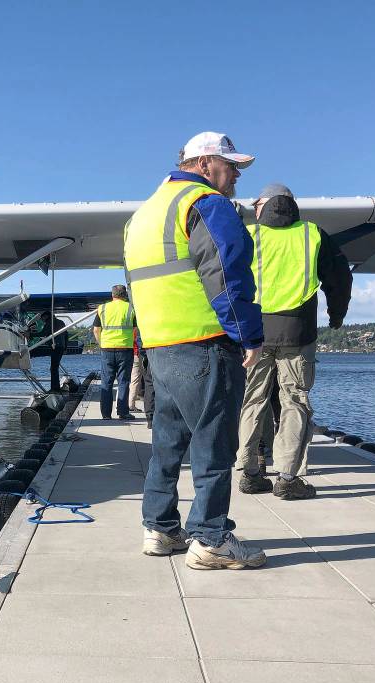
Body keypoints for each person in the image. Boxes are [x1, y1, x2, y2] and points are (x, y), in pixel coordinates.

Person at [124, 131, 266, 569]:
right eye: (232, 166)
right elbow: (226, 271)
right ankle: (211, 539)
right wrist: (248, 335)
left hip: (160, 347)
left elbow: (137, 284)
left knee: (167, 442)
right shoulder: (206, 203)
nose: (237, 175)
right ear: (204, 164)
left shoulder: (142, 215)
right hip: (205, 342)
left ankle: (161, 529)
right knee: (214, 444)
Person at [237, 183, 352, 499]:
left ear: (262, 205)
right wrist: (336, 315)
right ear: (292, 205)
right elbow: (340, 278)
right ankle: (288, 479)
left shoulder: (248, 234)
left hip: (253, 333)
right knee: (295, 401)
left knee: (251, 400)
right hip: (297, 333)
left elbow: (225, 277)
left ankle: (249, 472)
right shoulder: (313, 234)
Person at [92, 285, 137, 420]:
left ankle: (106, 414)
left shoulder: (102, 308)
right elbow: (135, 329)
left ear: (112, 295)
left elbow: (96, 329)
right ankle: (123, 412)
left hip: (107, 349)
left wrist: (102, 343)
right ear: (125, 295)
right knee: (123, 381)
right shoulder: (130, 308)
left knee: (106, 382)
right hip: (125, 348)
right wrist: (129, 340)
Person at [36, 310, 67, 392]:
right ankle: (55, 387)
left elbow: (43, 333)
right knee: (55, 367)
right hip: (61, 347)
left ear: (46, 316)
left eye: (42, 318)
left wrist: (30, 334)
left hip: (55, 347)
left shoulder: (49, 323)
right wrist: (65, 347)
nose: (42, 320)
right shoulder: (61, 322)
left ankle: (55, 388)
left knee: (53, 368)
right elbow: (66, 335)